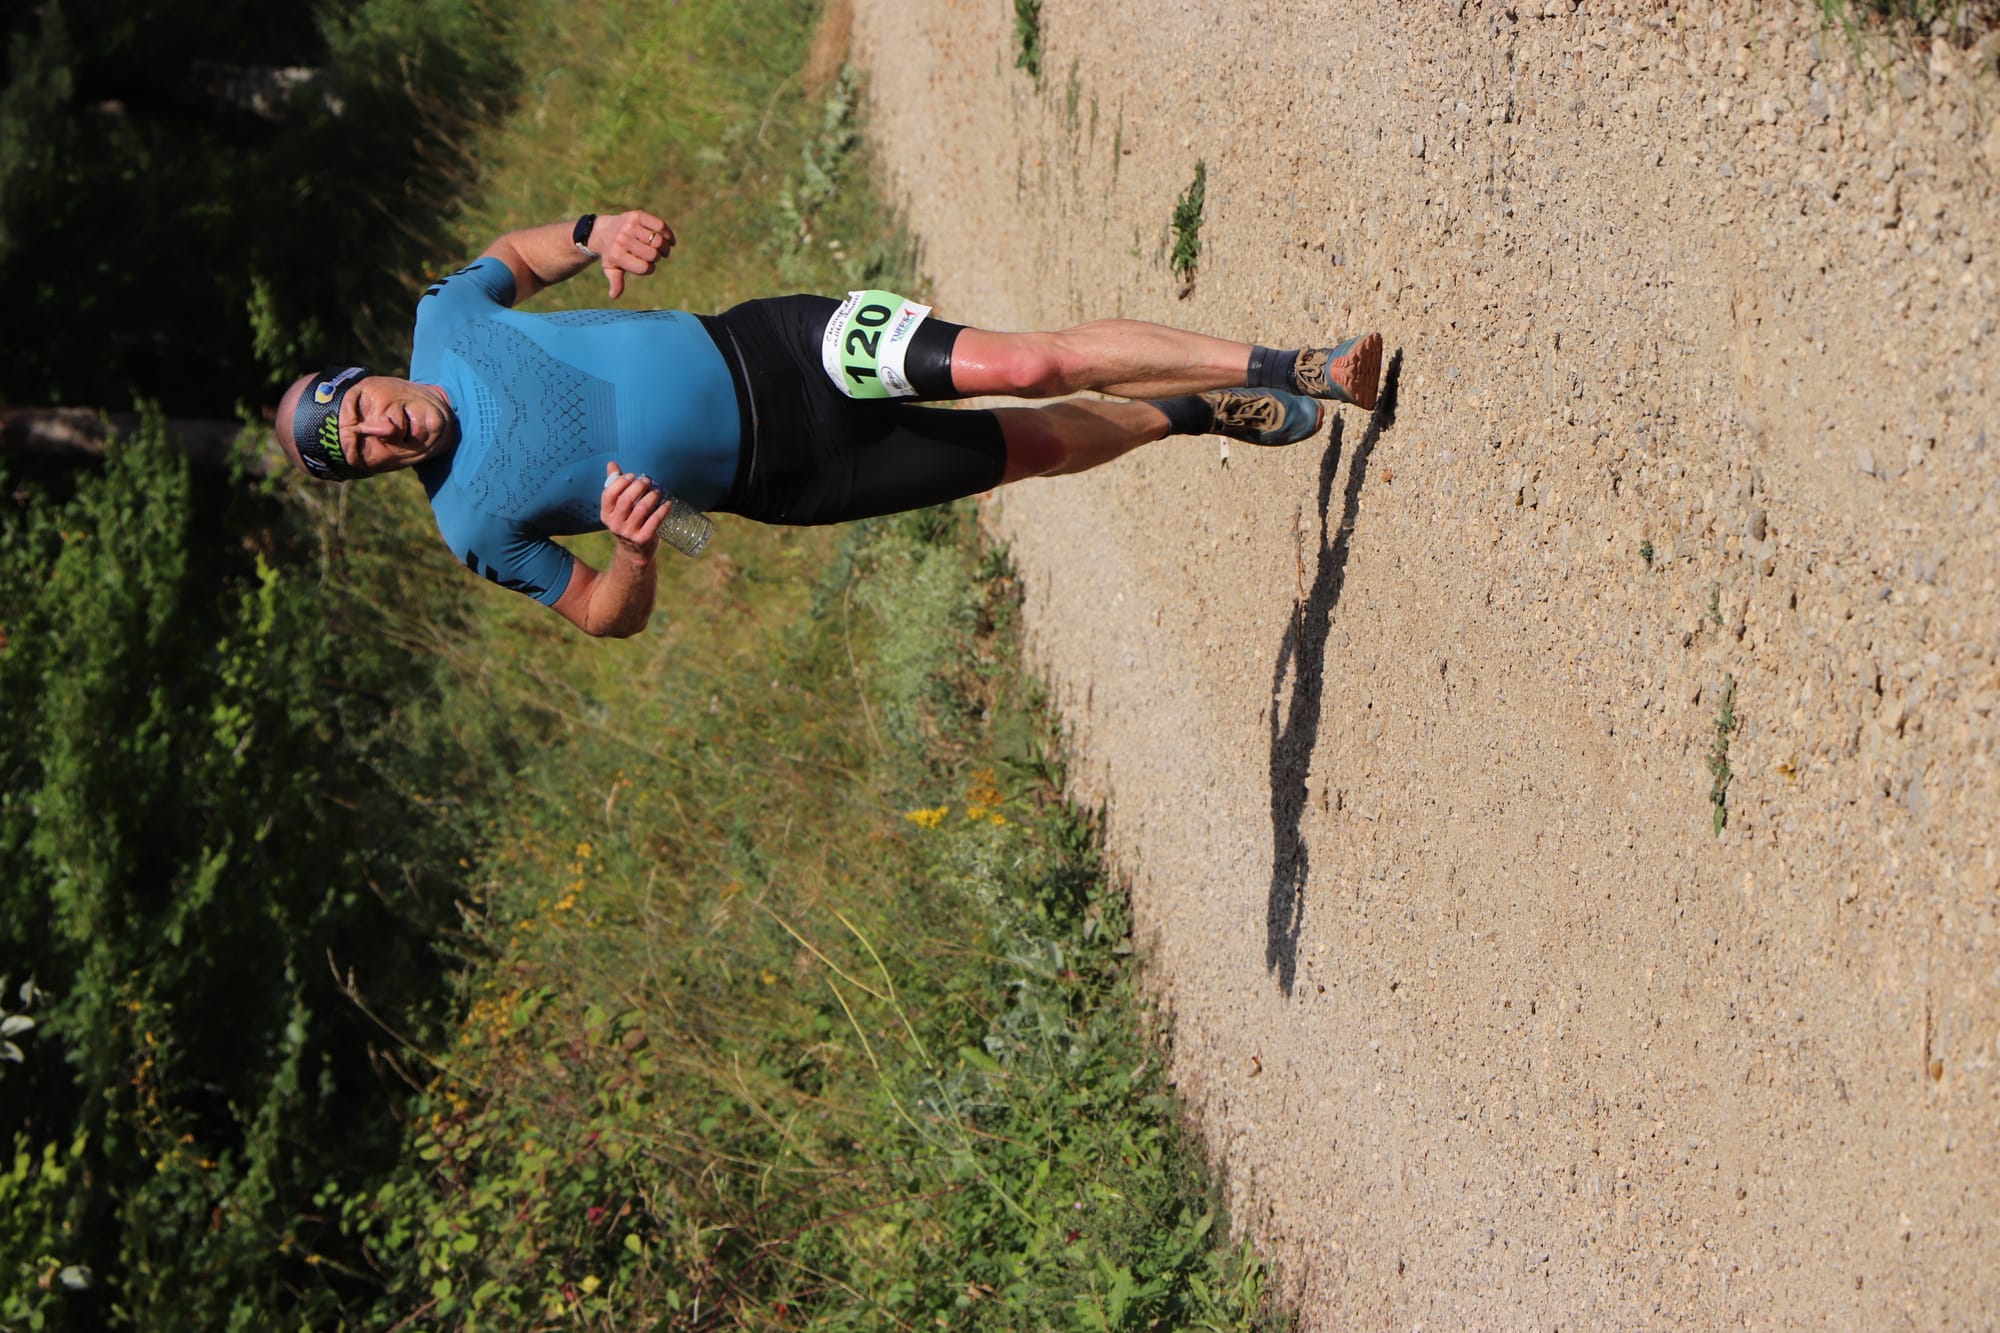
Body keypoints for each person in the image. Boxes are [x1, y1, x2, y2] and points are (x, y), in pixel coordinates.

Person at [274, 209, 1382, 638]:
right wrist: (634, 552)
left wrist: (593, 229)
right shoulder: (472, 525)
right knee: (1035, 448)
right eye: (366, 453)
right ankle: (1189, 413)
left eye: (365, 413)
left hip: (779, 345)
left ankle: (1301, 364)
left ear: (364, 378)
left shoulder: (446, 319)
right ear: (372, 473)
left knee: (1026, 362)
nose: (384, 435)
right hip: (790, 481)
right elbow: (606, 617)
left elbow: (514, 257)